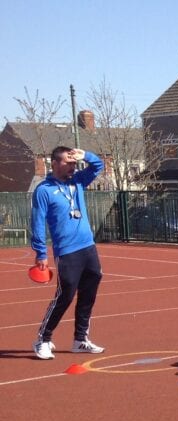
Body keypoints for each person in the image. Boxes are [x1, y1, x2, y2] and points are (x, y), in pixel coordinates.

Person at [30, 147, 106, 360]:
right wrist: (41, 252)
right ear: (54, 163)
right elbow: (37, 222)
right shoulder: (43, 190)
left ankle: (80, 339)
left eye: (74, 163)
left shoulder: (78, 181)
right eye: (68, 162)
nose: (73, 166)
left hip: (88, 247)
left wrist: (86, 156)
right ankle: (43, 339)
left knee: (88, 294)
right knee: (65, 295)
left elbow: (98, 166)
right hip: (67, 251)